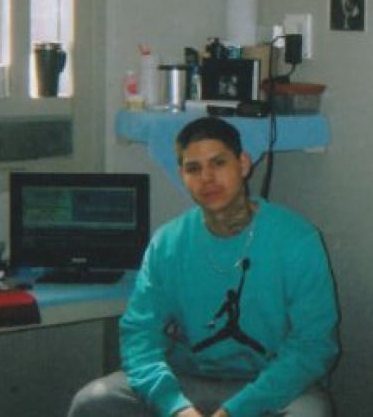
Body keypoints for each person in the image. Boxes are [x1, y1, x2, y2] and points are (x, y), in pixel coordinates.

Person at [68, 116, 339, 417]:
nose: (206, 178)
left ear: (244, 164)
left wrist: (236, 411)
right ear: (182, 176)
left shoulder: (296, 240)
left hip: (272, 385)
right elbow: (139, 335)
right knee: (92, 402)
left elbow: (314, 346)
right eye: (193, 168)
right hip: (188, 382)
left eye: (218, 163)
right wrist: (175, 407)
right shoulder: (168, 244)